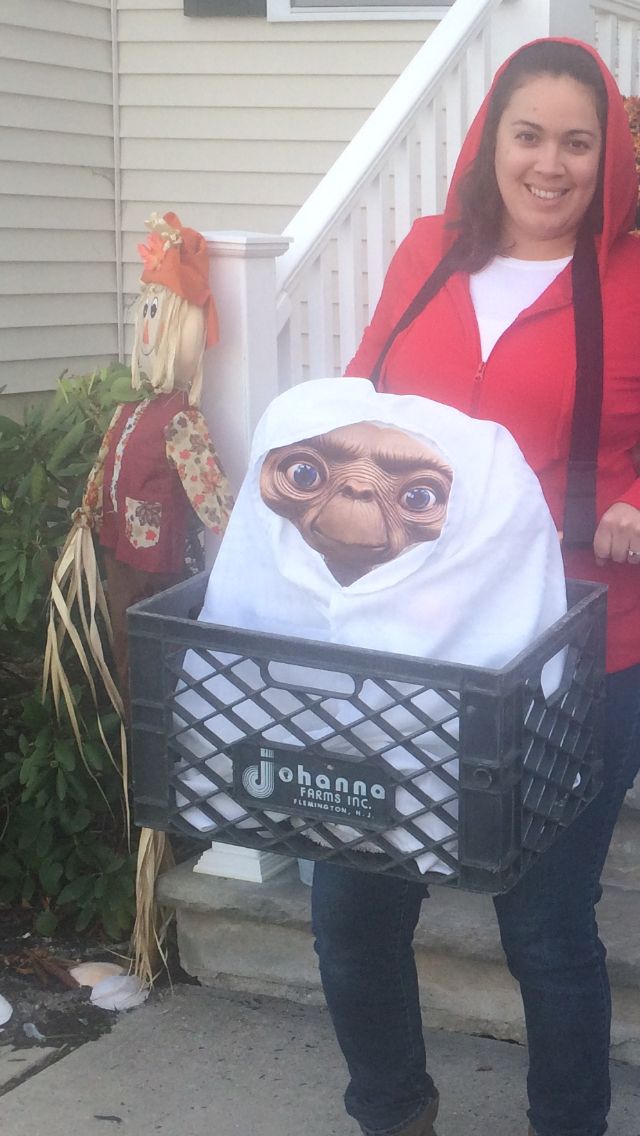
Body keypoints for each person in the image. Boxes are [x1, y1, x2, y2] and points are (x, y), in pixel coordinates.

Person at [311, 37, 640, 1136]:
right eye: (529, 135)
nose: (551, 164)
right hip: (414, 638)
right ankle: (394, 1111)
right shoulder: (425, 253)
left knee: (544, 923)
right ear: (489, 140)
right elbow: (365, 402)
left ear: (610, 155)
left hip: (578, 649)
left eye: (578, 142)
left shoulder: (637, 277)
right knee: (352, 903)